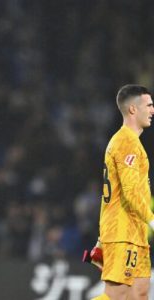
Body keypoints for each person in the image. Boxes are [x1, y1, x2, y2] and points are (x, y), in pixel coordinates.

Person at [93, 84, 154, 300]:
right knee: (117, 295)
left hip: (135, 233)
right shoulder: (126, 142)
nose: (153, 110)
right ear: (132, 110)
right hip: (122, 233)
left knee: (140, 294)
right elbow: (129, 192)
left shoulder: (131, 142)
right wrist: (152, 220)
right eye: (149, 105)